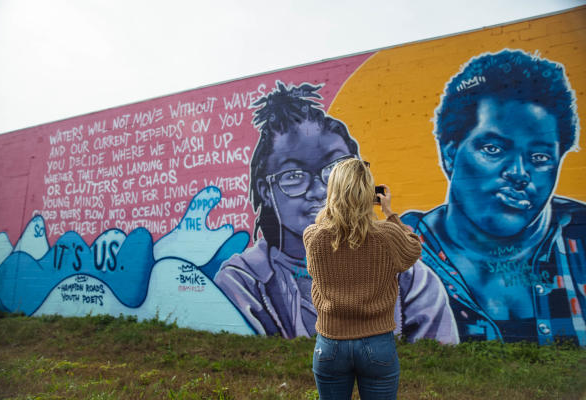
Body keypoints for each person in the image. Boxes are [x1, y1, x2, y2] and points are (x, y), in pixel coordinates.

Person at [215, 81, 457, 342]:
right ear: (265, 189)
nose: (320, 189)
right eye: (294, 176)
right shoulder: (244, 282)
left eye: (335, 171)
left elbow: (437, 355)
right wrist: (388, 215)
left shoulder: (409, 278)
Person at [401, 49, 586, 345]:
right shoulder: (398, 252)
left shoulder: (580, 237)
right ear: (449, 153)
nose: (519, 173)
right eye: (493, 149)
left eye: (539, 157)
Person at [304, 158, 421, 399]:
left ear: (333, 191)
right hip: (377, 343)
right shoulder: (387, 236)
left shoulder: (314, 237)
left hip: (330, 344)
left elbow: (327, 230)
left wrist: (334, 208)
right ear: (369, 193)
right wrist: (390, 213)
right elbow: (413, 249)